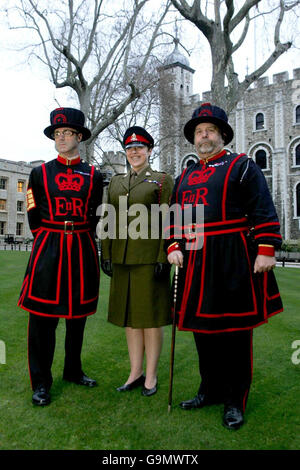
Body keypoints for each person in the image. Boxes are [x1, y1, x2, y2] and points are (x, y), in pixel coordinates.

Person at [165, 102, 283, 430]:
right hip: (196, 260)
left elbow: (263, 207)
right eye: (199, 132)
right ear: (194, 138)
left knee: (235, 333)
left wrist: (266, 249)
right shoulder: (184, 176)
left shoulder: (243, 166)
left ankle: (235, 399)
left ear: (222, 135)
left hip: (233, 257)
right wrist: (173, 245)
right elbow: (174, 217)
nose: (204, 136)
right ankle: (210, 389)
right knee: (203, 332)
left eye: (210, 131)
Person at [18, 107, 103, 406]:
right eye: (57, 134)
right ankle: (41, 383)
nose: (62, 138)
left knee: (77, 316)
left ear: (79, 136)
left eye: (67, 133)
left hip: (81, 246)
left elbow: (94, 214)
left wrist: (82, 236)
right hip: (49, 246)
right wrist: (46, 239)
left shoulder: (94, 175)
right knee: (42, 319)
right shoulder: (39, 173)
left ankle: (73, 370)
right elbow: (32, 211)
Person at [101, 126, 173, 396]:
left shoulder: (162, 180)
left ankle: (151, 376)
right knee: (130, 318)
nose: (134, 152)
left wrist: (163, 257)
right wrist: (105, 253)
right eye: (130, 149)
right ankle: (135, 372)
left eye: (140, 148)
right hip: (121, 259)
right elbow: (108, 219)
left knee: (151, 319)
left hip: (149, 260)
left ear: (150, 151)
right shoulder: (117, 182)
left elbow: (168, 221)